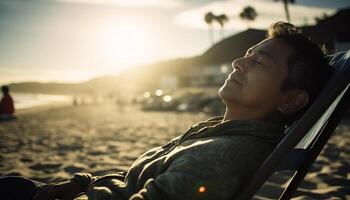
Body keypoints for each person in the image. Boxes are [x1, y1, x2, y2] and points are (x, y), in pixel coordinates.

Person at [0, 22, 331, 200]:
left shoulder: (224, 156)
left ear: (290, 101)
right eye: (247, 53)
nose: (238, 61)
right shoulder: (221, 132)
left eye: (259, 61)